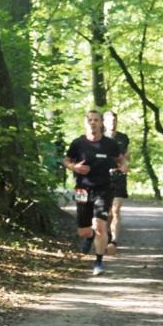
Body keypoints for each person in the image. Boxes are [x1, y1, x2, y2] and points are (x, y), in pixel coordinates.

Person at [64, 110, 127, 276]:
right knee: (83, 231)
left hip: (104, 188)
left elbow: (121, 159)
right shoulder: (78, 143)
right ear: (86, 122)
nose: (93, 123)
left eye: (96, 120)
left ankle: (98, 262)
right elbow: (67, 160)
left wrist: (123, 167)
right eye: (90, 120)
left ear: (101, 124)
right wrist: (74, 167)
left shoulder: (110, 144)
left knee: (100, 226)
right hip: (82, 189)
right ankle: (89, 236)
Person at [103, 110, 130, 254]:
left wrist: (124, 165)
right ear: (104, 122)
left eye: (115, 120)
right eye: (110, 120)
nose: (113, 123)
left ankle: (114, 240)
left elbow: (127, 156)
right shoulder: (100, 138)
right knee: (107, 212)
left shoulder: (123, 138)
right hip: (103, 178)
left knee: (116, 210)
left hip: (119, 177)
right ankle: (106, 235)